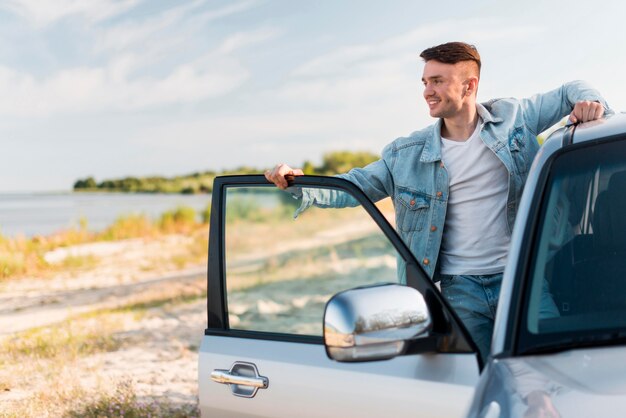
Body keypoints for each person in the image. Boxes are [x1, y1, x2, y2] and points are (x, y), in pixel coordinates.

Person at [264, 41, 609, 361]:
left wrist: (592, 103)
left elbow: (570, 90)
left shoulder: (514, 119)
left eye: (438, 81)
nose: (427, 91)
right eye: (425, 81)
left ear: (469, 86)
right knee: (475, 381)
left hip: (521, 279)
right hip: (459, 292)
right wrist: (299, 182)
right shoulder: (406, 155)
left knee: (554, 365)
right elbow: (354, 186)